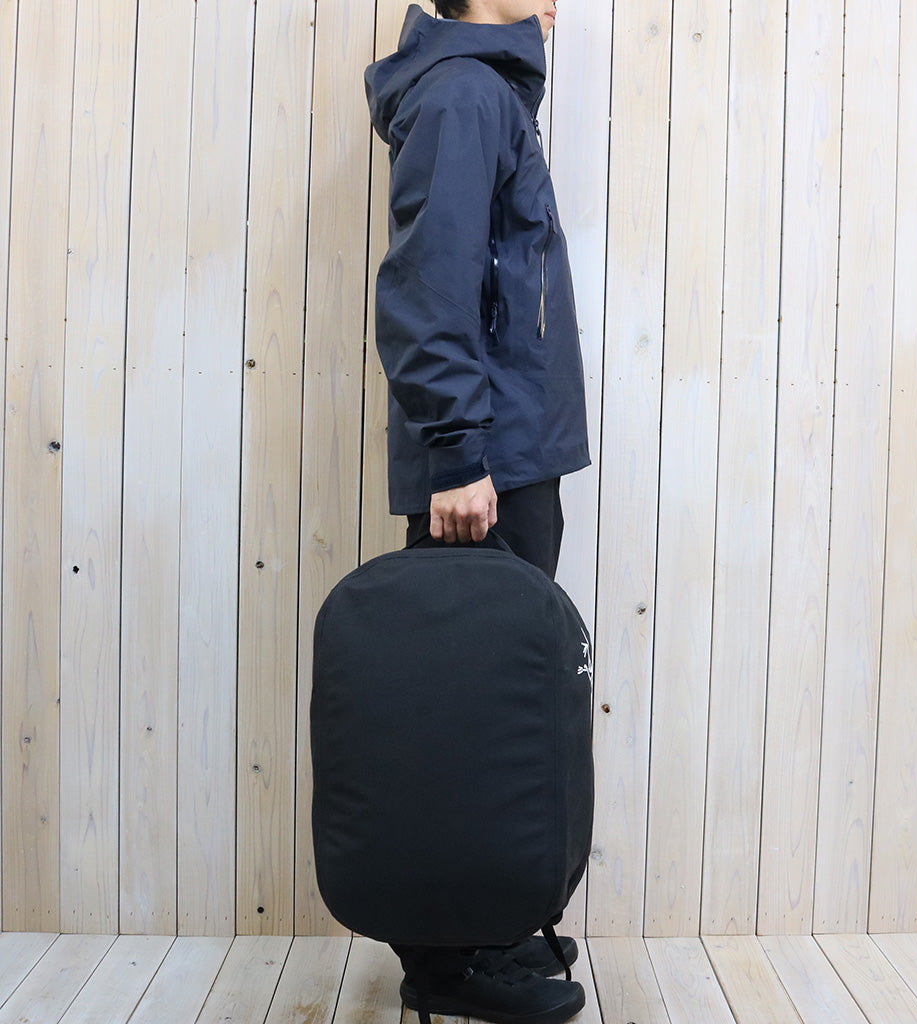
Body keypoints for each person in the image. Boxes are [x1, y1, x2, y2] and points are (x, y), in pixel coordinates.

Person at [365, 2, 590, 1022]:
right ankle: (446, 960)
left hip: (509, 456)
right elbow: (426, 287)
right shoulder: (465, 93)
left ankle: (486, 928)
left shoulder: (486, 91)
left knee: (498, 710)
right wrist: (458, 452)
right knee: (464, 715)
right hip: (482, 467)